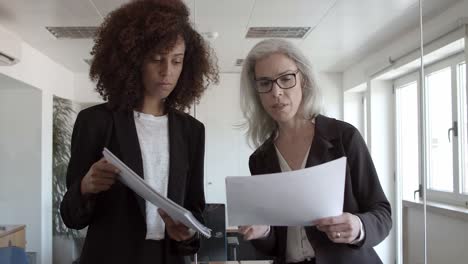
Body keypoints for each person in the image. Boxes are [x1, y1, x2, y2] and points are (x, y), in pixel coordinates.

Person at [60, 0, 218, 263]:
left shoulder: (192, 131)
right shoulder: (95, 122)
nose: (167, 71)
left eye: (177, 61)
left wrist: (188, 233)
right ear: (132, 60)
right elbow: (71, 216)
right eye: (156, 59)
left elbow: (195, 214)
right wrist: (86, 186)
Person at [237, 39, 392, 264]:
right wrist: (264, 232)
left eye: (286, 79)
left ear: (304, 81)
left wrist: (358, 226)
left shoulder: (344, 138)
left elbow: (382, 214)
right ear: (257, 92)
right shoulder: (260, 160)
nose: (276, 92)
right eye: (265, 83)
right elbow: (276, 245)